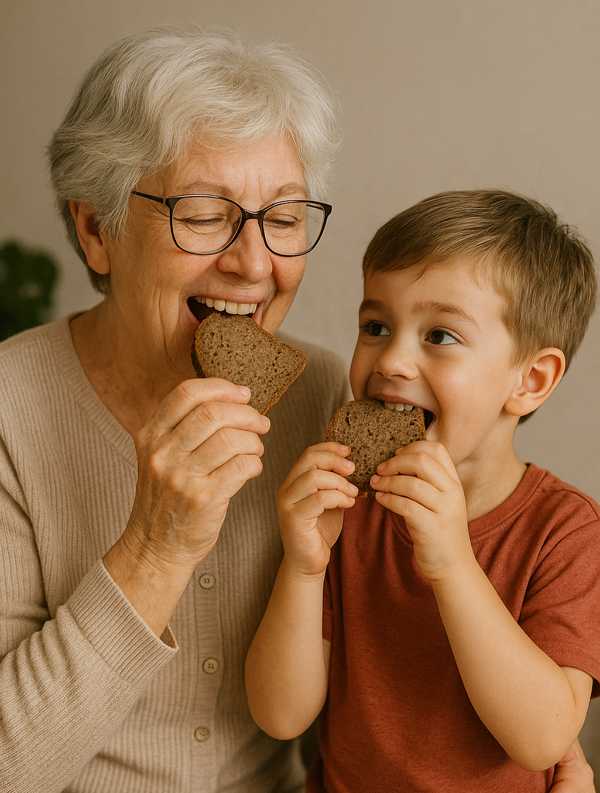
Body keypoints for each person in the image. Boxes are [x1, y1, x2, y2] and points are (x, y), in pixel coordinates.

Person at [0, 27, 348, 792]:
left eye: (284, 218)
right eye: (204, 214)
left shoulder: (322, 394)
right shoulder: (9, 410)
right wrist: (156, 547)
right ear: (97, 231)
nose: (254, 264)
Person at [245, 189, 600, 792]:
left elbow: (542, 739)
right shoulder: (350, 509)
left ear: (531, 380)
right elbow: (280, 716)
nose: (391, 361)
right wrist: (303, 568)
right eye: (376, 326)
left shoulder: (567, 533)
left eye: (440, 335)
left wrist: (453, 564)